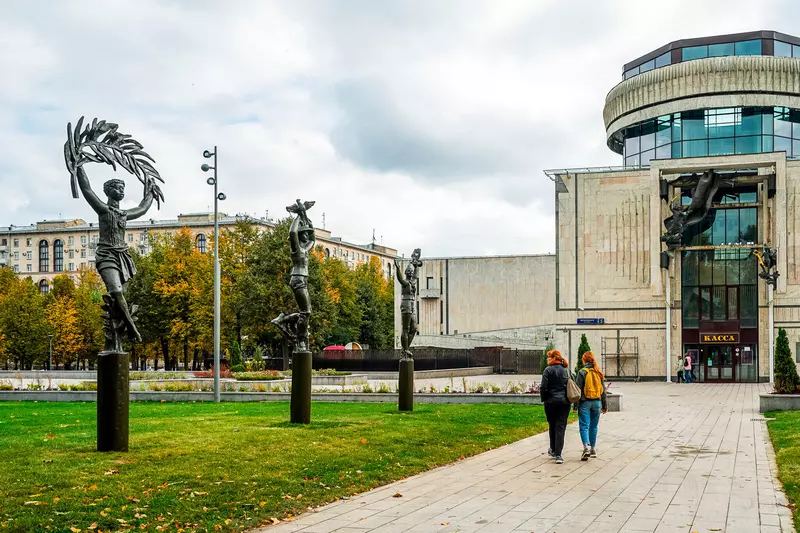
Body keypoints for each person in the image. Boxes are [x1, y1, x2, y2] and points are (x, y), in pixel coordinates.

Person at [76, 167, 155, 342]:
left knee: (119, 298)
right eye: (117, 188)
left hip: (122, 256)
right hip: (106, 255)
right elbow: (87, 189)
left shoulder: (124, 214)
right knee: (117, 292)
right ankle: (133, 329)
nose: (121, 191)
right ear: (108, 191)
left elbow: (143, 208)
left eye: (122, 188)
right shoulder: (103, 210)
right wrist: (80, 166)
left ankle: (119, 332)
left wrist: (150, 189)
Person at [539, 349, 571, 465]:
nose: (547, 359)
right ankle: (558, 454)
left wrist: (544, 398)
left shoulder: (548, 370)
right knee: (560, 427)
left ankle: (553, 449)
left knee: (552, 425)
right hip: (564, 402)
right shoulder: (566, 370)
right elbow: (571, 384)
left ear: (553, 358)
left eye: (548, 357)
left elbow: (543, 387)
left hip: (550, 402)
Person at [574, 351, 607, 460]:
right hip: (597, 402)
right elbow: (603, 391)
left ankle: (585, 448)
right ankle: (593, 449)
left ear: (584, 360)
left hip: (585, 402)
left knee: (584, 425)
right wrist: (604, 405)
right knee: (594, 426)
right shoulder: (598, 371)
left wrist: (575, 406)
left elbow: (577, 391)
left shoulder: (582, 372)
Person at [394, 249, 422, 358]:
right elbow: (400, 278)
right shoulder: (405, 282)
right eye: (408, 271)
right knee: (405, 328)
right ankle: (405, 350)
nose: (410, 272)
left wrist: (416, 264)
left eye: (411, 270)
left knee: (414, 328)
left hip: (412, 304)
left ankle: (405, 348)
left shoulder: (413, 281)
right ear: (406, 273)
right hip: (406, 303)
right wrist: (397, 269)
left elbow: (416, 273)